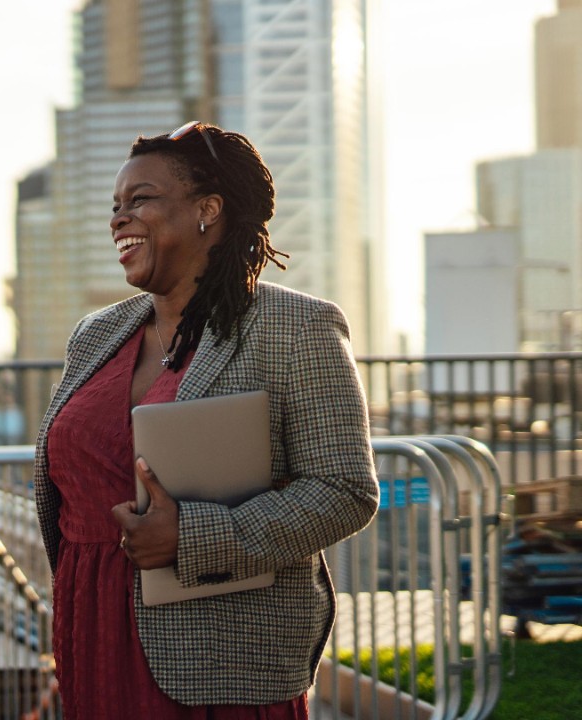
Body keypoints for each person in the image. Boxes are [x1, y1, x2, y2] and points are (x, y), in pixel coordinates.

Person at [32, 121, 379, 718]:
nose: (119, 218)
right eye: (115, 206)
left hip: (221, 651)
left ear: (207, 210)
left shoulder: (295, 328)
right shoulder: (96, 334)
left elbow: (346, 490)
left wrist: (193, 537)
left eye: (140, 199)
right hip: (93, 630)